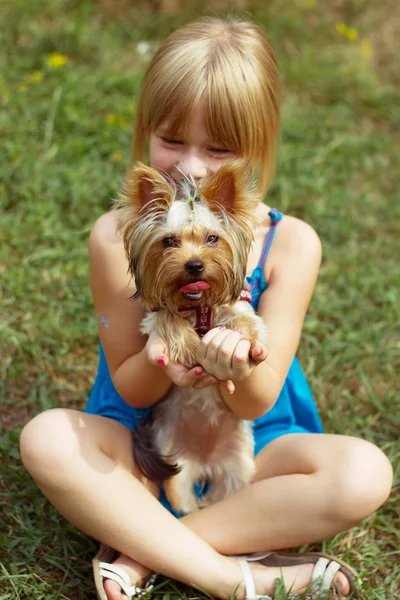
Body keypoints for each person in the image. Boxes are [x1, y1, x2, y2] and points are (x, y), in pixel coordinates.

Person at [20, 16, 392, 600]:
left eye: (217, 149)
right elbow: (132, 390)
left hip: (257, 443)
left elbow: (258, 398)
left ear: (254, 152)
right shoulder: (116, 236)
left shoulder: (291, 242)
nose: (192, 166)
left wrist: (233, 369)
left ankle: (144, 547)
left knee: (365, 472)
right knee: (45, 439)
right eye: (172, 140)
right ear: (145, 132)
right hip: (145, 443)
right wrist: (163, 360)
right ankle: (232, 574)